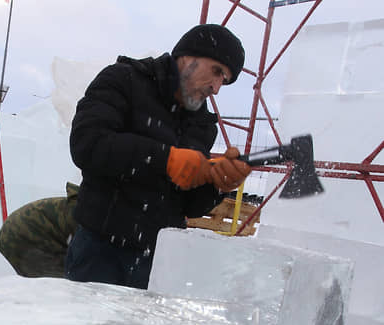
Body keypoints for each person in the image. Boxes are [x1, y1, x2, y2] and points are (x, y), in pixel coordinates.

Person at [65, 23, 253, 289]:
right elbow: (88, 144)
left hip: (156, 264)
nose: (217, 87)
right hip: (98, 252)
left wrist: (217, 183)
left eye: (224, 80)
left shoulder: (202, 123)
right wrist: (166, 160)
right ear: (187, 56)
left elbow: (189, 205)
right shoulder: (123, 80)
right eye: (216, 72)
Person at [0, 182, 79, 278]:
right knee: (56, 284)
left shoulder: (85, 205)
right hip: (21, 235)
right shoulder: (85, 214)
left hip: (20, 231)